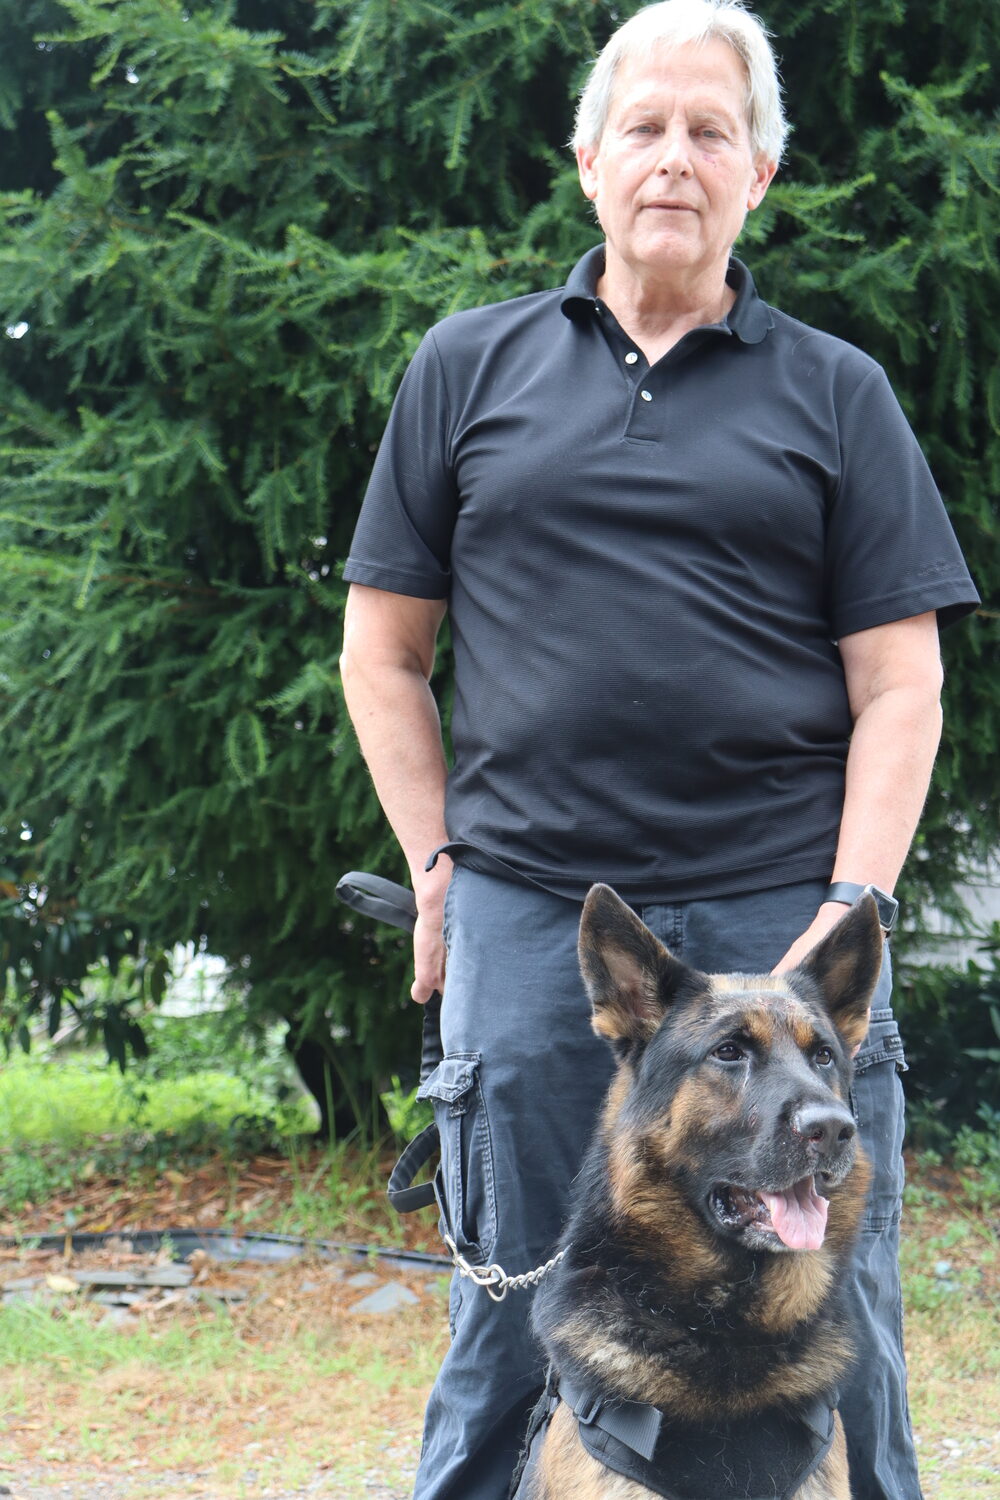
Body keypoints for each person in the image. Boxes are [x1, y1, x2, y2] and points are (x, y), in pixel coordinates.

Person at [339, 2, 980, 1496]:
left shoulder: (838, 392)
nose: (676, 159)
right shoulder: (465, 366)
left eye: (712, 131)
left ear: (760, 169)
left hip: (780, 913)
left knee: (846, 1317)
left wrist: (854, 910)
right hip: (534, 914)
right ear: (587, 159)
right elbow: (384, 655)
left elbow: (902, 686)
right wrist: (440, 861)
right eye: (646, 126)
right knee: (508, 1309)